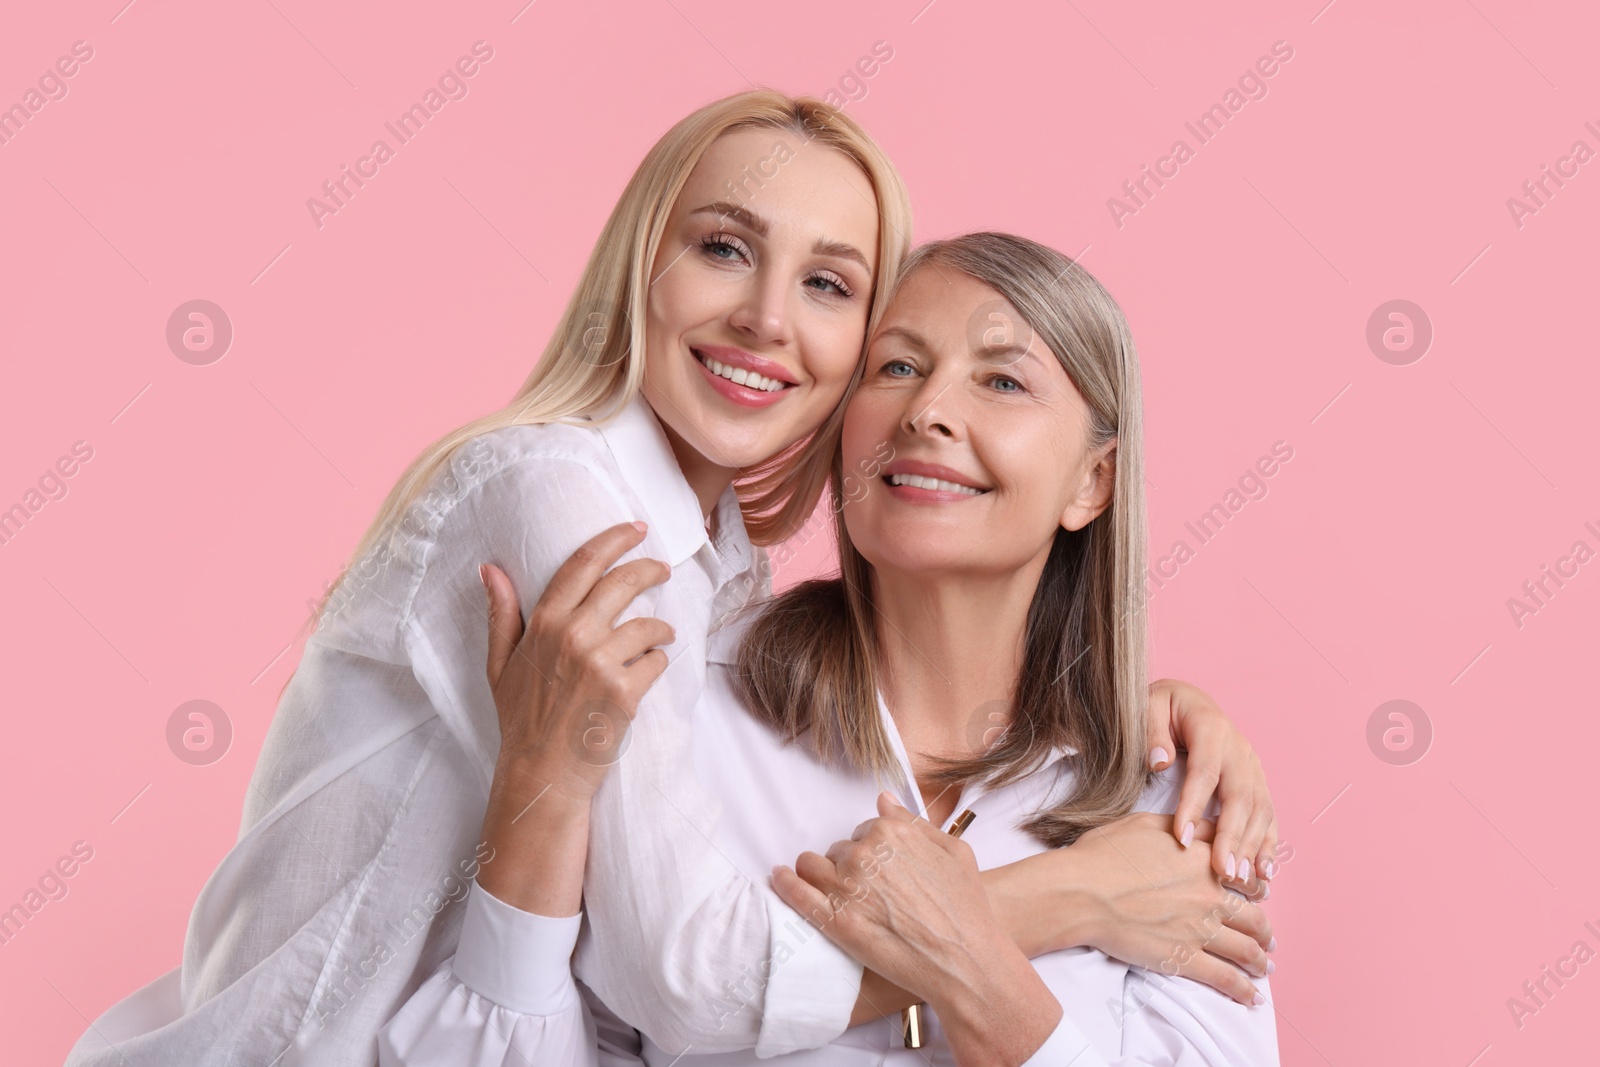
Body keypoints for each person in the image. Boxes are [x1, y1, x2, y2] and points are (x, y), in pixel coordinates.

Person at [65, 92, 1273, 1067]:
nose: (763, 318)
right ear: (642, 266)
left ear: (1094, 482)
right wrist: (1066, 897)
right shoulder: (563, 498)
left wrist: (1142, 705)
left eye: (827, 284)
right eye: (722, 248)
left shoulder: (716, 577)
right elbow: (687, 982)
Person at [377, 232, 1279, 1065]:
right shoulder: (672, 702)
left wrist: (973, 964)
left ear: (1093, 480)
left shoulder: (1175, 808)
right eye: (896, 366)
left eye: (1001, 381)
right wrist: (1067, 898)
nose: (928, 409)